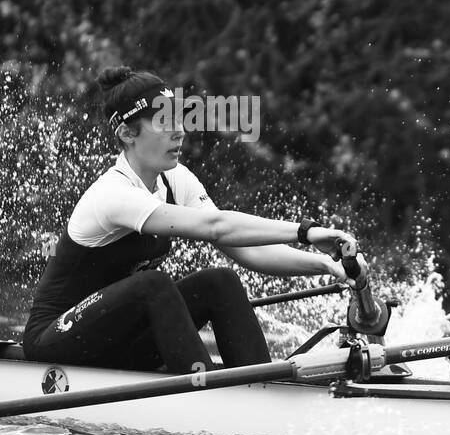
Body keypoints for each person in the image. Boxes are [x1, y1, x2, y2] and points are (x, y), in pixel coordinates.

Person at [23, 66, 359, 374]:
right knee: (152, 284)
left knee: (220, 280)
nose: (179, 131)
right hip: (57, 340)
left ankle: (259, 387)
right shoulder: (113, 194)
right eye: (163, 122)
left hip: (120, 341)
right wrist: (306, 231)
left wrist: (326, 267)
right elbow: (215, 226)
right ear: (127, 134)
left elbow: (247, 250)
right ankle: (203, 390)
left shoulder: (176, 179)